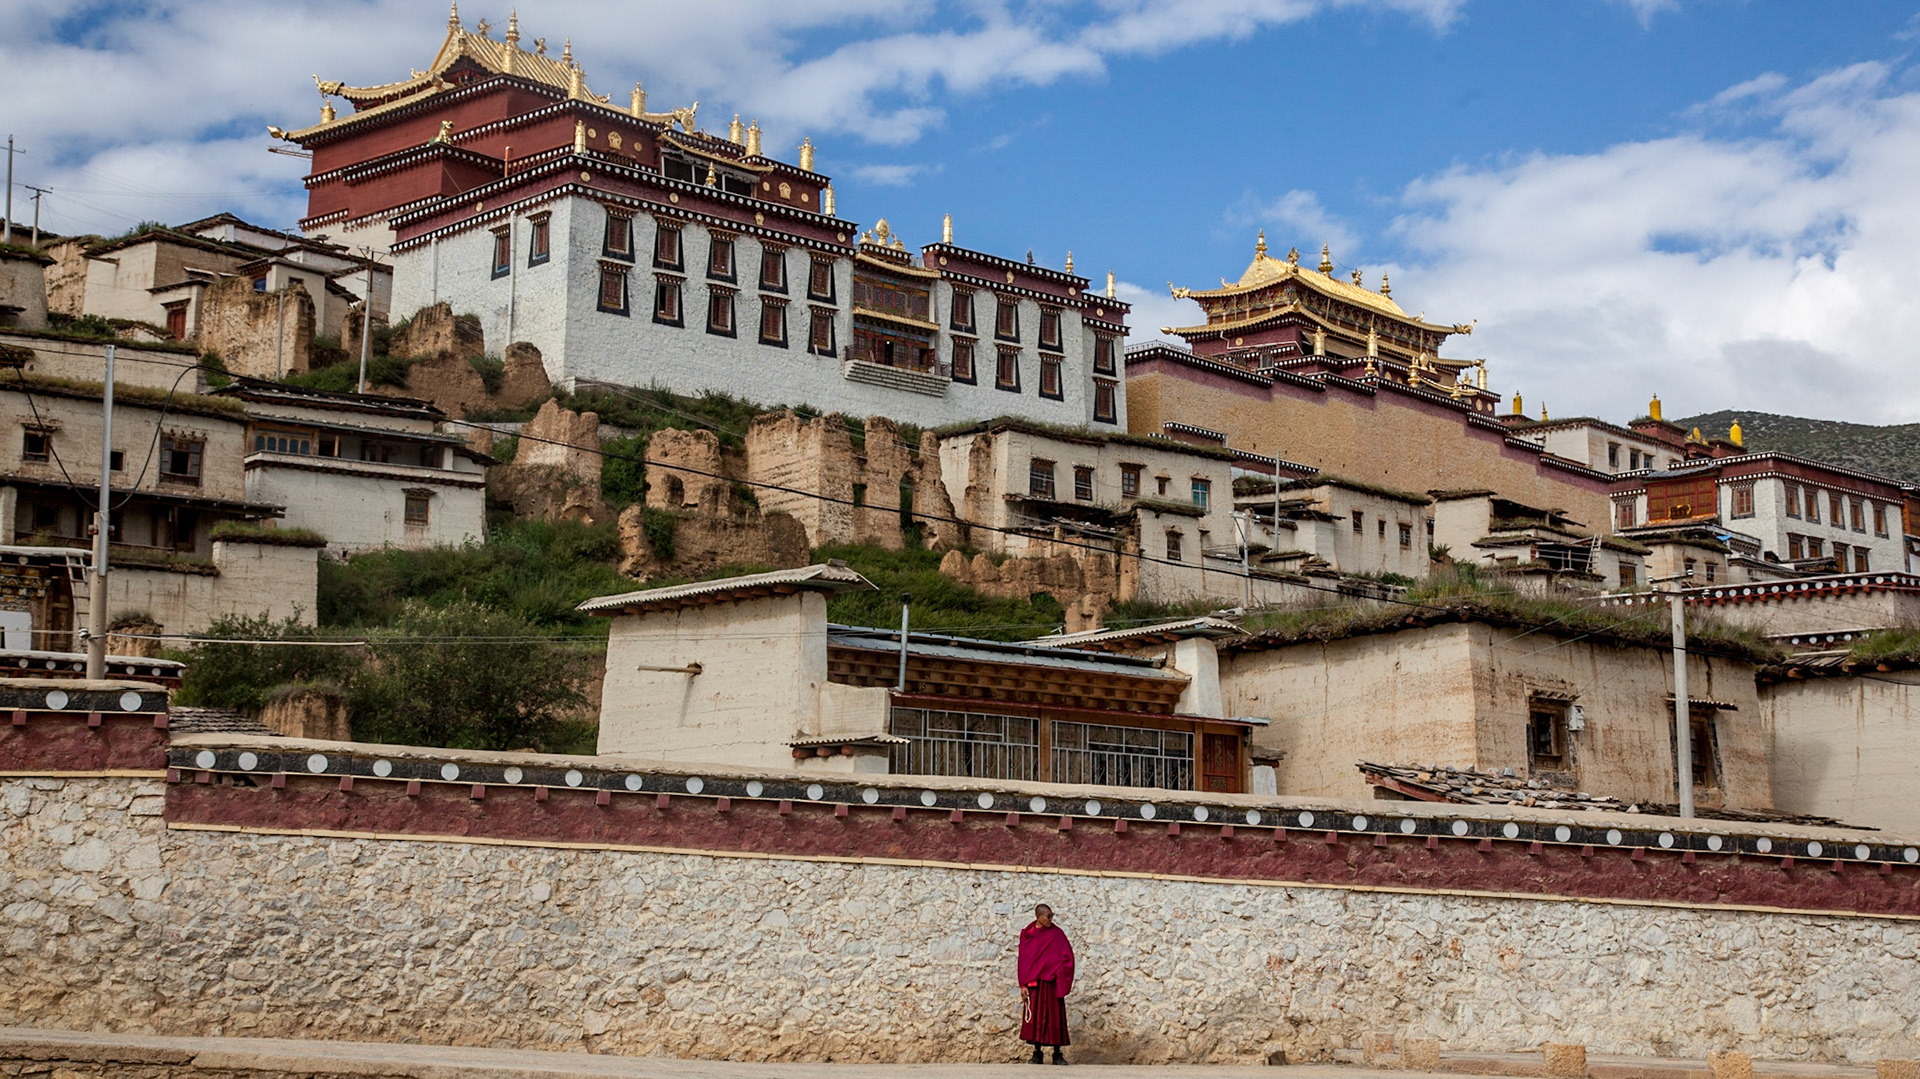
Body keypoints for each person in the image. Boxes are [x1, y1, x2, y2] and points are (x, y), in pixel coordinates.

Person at [1017, 903, 1075, 1065]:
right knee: (1036, 1017)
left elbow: (1067, 956)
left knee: (1055, 1017)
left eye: (1052, 916)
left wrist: (1060, 971)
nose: (1050, 919)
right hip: (1035, 983)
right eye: (1048, 916)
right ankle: (1037, 1053)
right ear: (1039, 916)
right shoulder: (1029, 935)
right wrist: (1023, 984)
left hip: (1052, 982)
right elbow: (1024, 961)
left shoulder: (1057, 934)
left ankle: (1057, 1053)